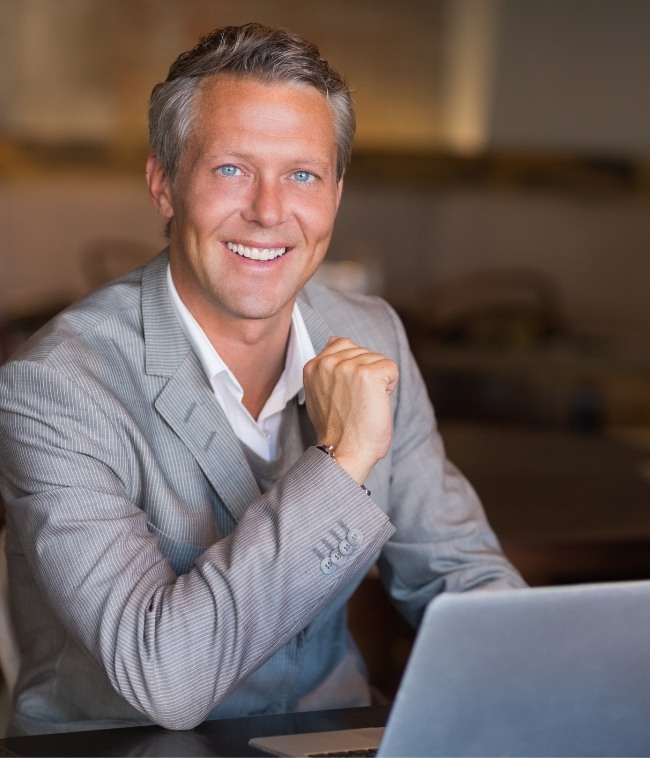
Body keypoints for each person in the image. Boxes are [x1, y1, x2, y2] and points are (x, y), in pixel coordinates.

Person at [0, 22, 525, 736]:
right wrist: (343, 465)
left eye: (302, 174)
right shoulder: (55, 389)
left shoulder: (371, 335)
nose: (270, 211)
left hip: (330, 740)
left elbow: (458, 577)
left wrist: (549, 676)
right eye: (231, 169)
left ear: (336, 195)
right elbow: (166, 678)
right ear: (163, 184)